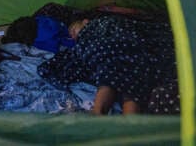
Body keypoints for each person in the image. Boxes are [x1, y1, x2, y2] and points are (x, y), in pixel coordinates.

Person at [38, 14, 177, 115]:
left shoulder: (103, 23)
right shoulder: (84, 42)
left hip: (123, 41)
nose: (73, 36)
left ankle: (100, 112)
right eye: (71, 35)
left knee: (112, 57)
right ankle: (130, 123)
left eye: (74, 30)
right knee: (122, 64)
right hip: (123, 56)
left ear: (86, 21)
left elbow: (121, 31)